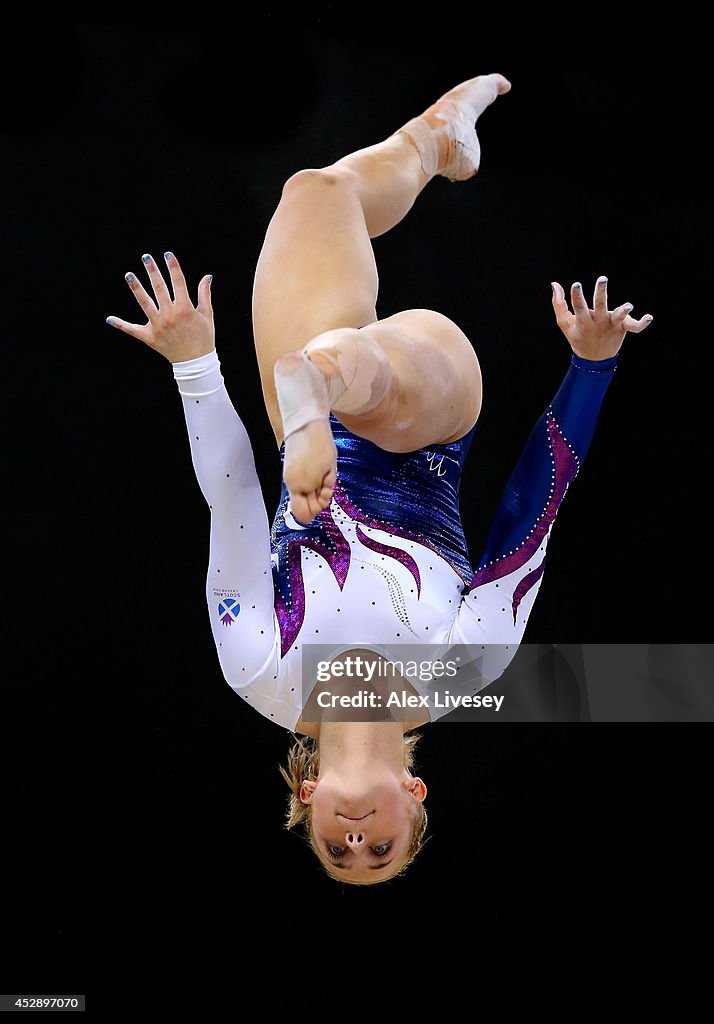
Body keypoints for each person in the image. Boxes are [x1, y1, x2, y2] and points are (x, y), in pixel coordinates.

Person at [106, 73, 652, 884]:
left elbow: (231, 505)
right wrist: (591, 368)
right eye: (381, 849)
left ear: (311, 797)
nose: (356, 839)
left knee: (317, 194)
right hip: (428, 411)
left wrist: (194, 364)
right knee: (350, 375)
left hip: (314, 428)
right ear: (415, 792)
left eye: (336, 849)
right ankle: (315, 392)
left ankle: (433, 143)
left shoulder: (262, 671)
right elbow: (528, 517)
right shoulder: (463, 673)